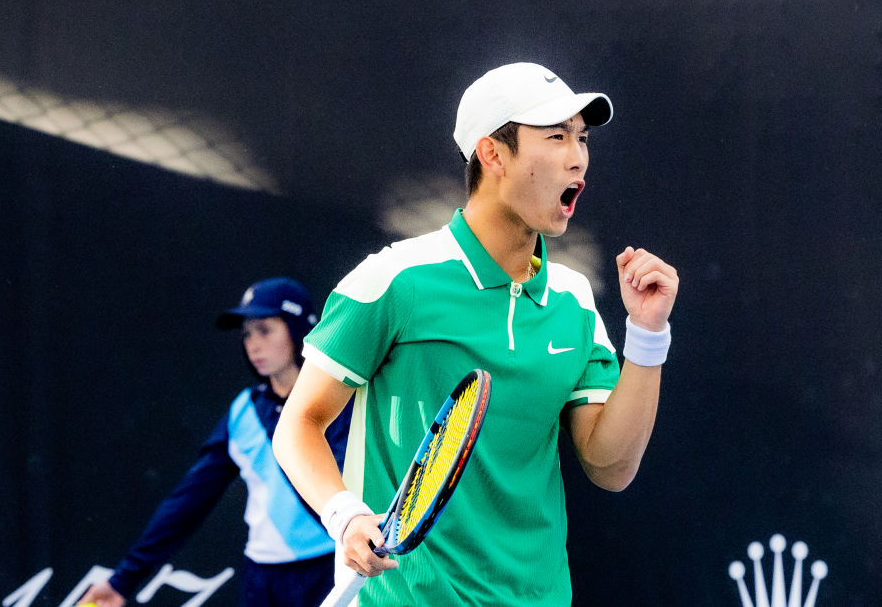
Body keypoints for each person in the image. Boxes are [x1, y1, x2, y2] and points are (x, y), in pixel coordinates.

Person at [272, 62, 679, 606]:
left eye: (581, 138)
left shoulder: (575, 300)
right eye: (556, 137)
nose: (578, 157)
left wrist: (648, 335)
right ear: (492, 154)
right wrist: (345, 516)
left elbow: (611, 467)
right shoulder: (396, 280)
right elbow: (299, 423)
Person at [78, 277, 353, 607]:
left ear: (298, 330)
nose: (253, 344)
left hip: (330, 569)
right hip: (260, 582)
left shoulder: (341, 402)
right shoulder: (244, 411)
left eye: (264, 330)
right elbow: (188, 502)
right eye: (247, 334)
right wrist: (122, 582)